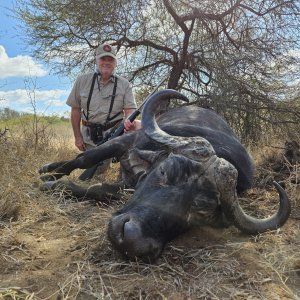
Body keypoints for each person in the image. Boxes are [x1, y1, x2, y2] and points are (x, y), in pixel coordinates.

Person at [66, 42, 140, 173]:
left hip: (114, 136)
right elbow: (75, 110)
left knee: (102, 170)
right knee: (90, 169)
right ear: (96, 60)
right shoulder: (82, 80)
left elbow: (130, 111)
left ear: (115, 63)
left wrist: (129, 121)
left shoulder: (125, 84)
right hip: (89, 136)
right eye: (103, 58)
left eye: (110, 59)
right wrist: (78, 137)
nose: (106, 62)